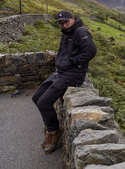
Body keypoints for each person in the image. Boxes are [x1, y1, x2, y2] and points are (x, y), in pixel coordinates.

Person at [32, 10, 97, 154]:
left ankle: (54, 132)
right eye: (61, 23)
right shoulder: (66, 32)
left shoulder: (80, 32)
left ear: (73, 19)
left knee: (44, 102)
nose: (63, 25)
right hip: (61, 73)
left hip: (73, 75)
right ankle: (50, 126)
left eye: (66, 22)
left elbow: (91, 51)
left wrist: (72, 61)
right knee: (36, 97)